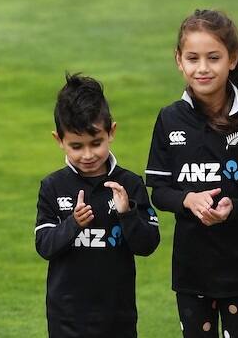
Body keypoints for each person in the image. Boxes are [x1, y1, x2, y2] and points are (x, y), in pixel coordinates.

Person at [145, 9, 238, 338]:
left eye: (213, 58)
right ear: (179, 60)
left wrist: (233, 208)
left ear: (232, 59)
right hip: (194, 268)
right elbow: (159, 190)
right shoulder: (169, 119)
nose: (202, 68)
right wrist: (189, 200)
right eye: (192, 58)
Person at [34, 73, 160, 338]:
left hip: (118, 315)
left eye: (96, 143)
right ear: (59, 140)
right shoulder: (52, 186)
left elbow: (148, 245)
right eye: (76, 146)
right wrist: (73, 224)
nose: (88, 155)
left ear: (111, 132)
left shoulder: (130, 184)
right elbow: (44, 245)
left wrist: (127, 214)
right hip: (67, 318)